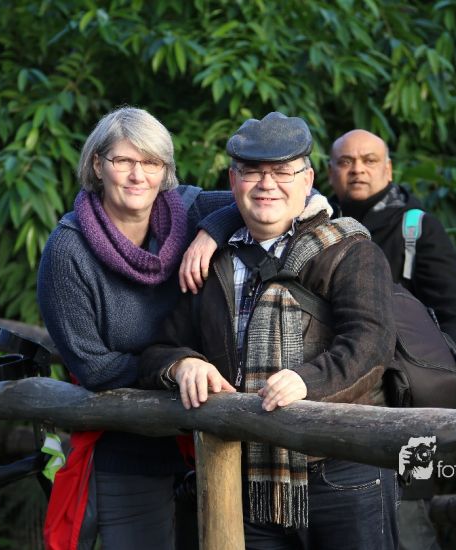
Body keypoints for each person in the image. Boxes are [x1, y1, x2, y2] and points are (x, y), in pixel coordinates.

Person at [139, 112, 400, 549]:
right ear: (232, 180)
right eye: (252, 172)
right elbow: (159, 348)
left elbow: (371, 345)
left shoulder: (350, 249)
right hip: (244, 478)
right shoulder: (211, 262)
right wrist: (182, 364)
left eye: (282, 172)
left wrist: (307, 381)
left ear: (308, 179)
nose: (267, 184)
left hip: (344, 468)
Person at [36, 106, 239, 550]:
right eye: (123, 160)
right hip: (125, 442)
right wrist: (174, 369)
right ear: (97, 165)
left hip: (210, 436)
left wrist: (211, 230)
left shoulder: (189, 209)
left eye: (151, 162)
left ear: (165, 170)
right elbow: (94, 368)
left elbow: (283, 195)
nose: (137, 175)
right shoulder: (68, 250)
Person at [327, 129, 456, 550]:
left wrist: (450, 380)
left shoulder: (415, 226)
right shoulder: (319, 225)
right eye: (346, 161)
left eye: (369, 160)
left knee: (409, 513)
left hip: (410, 402)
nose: (357, 169)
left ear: (389, 169)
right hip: (343, 396)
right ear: (330, 171)